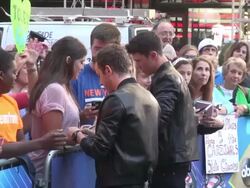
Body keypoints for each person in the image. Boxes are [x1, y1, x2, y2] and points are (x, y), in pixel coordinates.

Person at [67, 44, 160, 188]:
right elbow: (129, 136)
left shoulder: (115, 99)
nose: (100, 82)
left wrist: (77, 135)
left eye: (100, 75)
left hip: (117, 180)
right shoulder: (149, 96)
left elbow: (99, 149)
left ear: (108, 70)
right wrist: (93, 133)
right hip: (141, 179)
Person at [126, 31, 198, 188]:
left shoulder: (167, 78)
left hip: (169, 159)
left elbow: (159, 117)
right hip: (174, 157)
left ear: (153, 55)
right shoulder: (169, 75)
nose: (138, 66)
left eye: (139, 60)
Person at [28, 36, 87, 176]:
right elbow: (54, 139)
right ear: (68, 60)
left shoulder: (64, 87)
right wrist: (81, 137)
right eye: (81, 62)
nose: (83, 67)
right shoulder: (54, 89)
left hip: (60, 170)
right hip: (46, 173)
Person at [0, 48, 67, 158]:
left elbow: (21, 143)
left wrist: (32, 67)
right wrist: (41, 142)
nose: (15, 76)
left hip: (13, 172)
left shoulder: (10, 102)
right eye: (13, 72)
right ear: (1, 75)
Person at [71, 23, 121, 125]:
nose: (101, 54)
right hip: (84, 137)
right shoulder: (77, 76)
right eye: (97, 49)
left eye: (106, 49)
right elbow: (68, 119)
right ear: (91, 47)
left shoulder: (123, 77)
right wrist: (83, 115)